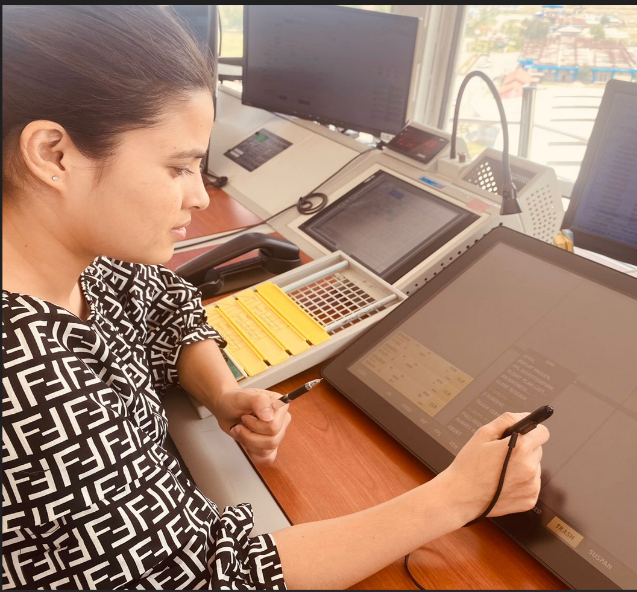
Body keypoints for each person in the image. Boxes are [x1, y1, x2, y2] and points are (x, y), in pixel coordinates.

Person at [1, 5, 550, 590]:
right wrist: (458, 496)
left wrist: (223, 391)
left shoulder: (71, 264)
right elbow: (212, 579)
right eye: (179, 168)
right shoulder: (28, 382)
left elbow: (160, 301)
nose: (197, 197)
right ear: (53, 154)